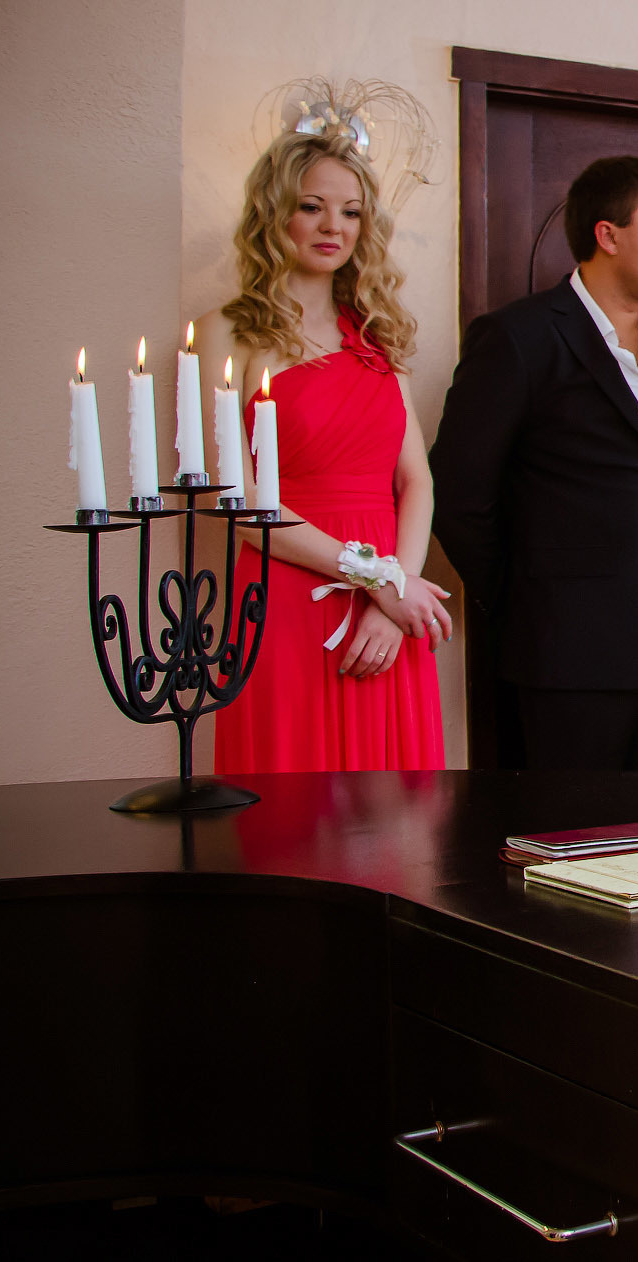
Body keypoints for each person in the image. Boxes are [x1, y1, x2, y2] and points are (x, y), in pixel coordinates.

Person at [430, 155, 638, 771]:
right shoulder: (518, 337)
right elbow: (458, 494)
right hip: (570, 652)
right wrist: (524, 602)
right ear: (607, 235)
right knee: (579, 840)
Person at [199, 90, 449, 771]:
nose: (331, 225)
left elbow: (416, 480)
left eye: (350, 211)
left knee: (395, 820)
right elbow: (239, 507)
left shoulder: (377, 332)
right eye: (311, 206)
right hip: (284, 595)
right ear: (273, 212)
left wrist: (392, 597)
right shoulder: (230, 332)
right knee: (291, 810)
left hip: (389, 605)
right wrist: (376, 577)